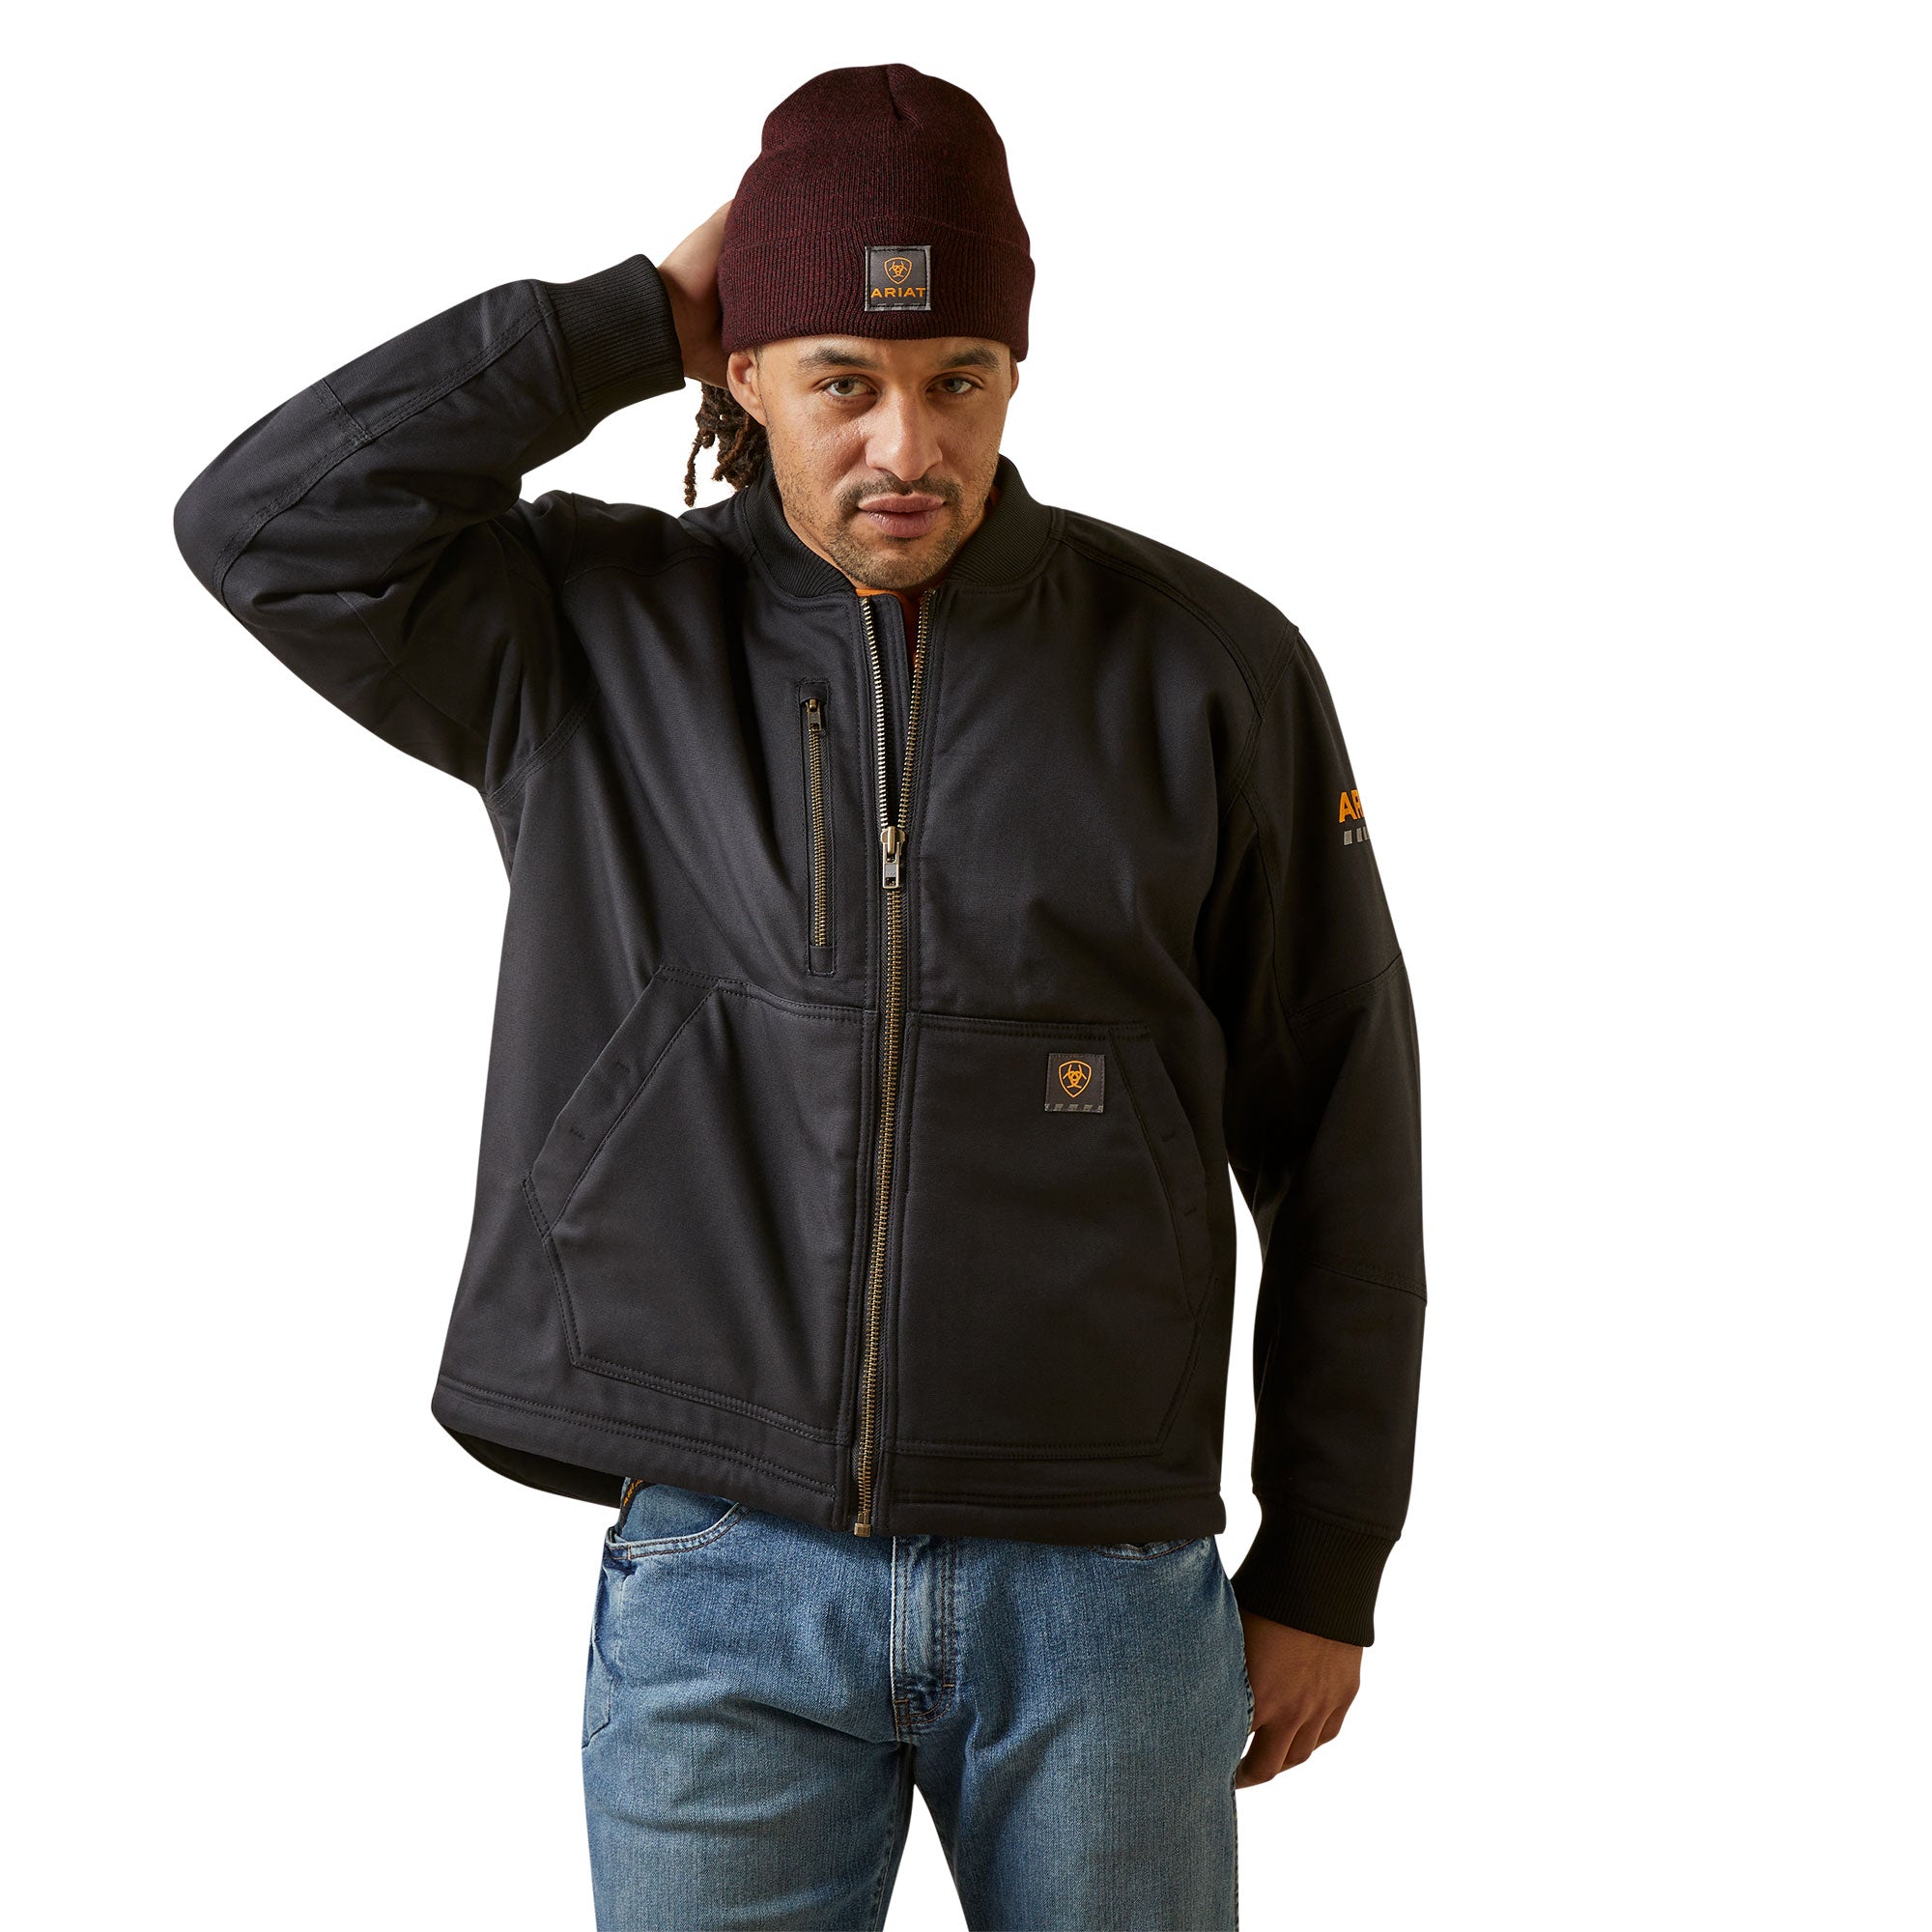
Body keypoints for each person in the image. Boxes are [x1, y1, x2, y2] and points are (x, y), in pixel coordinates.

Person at [173, 61, 1425, 1932]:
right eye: (842, 378)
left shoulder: (1208, 668)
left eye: (960, 379)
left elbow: (1343, 1129)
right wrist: (622, 319)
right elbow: (265, 522)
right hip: (721, 1566)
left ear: (1017, 372)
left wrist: (1327, 1555)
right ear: (741, 376)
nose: (907, 444)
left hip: (1102, 1586)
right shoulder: (587, 634)